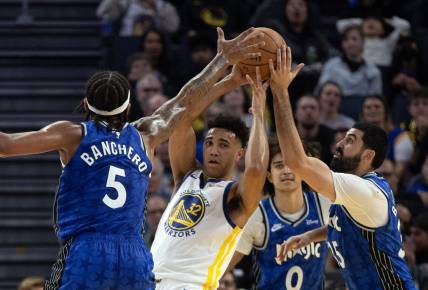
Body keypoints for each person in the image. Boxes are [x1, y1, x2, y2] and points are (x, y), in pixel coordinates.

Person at [0, 27, 265, 289]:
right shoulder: (146, 134)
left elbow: (6, 145)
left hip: (88, 250)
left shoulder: (72, 134)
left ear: (85, 104)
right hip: (135, 257)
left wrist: (226, 73)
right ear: (128, 107)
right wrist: (223, 61)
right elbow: (184, 101)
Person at [270, 45, 416, 289]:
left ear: (368, 155)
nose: (339, 144)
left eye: (350, 141)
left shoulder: (364, 190)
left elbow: (296, 162)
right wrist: (309, 236)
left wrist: (280, 93)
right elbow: (346, 225)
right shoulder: (357, 195)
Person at [151, 67, 270, 290]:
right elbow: (181, 118)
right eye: (209, 143)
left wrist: (258, 112)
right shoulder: (186, 176)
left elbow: (255, 168)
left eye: (223, 145)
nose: (214, 150)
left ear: (239, 153)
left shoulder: (236, 196)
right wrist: (228, 82)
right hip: (148, 282)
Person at [227, 139, 330, 290]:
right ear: (269, 176)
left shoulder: (324, 205)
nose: (287, 170)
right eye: (279, 166)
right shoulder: (258, 215)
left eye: (292, 165)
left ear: (302, 171)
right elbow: (225, 262)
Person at [318, 25, 382, 119]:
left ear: (363, 42)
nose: (350, 43)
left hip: (362, 115)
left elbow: (376, 100)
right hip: (335, 112)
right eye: (346, 40)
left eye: (354, 39)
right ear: (343, 44)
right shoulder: (331, 66)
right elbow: (321, 92)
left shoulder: (373, 71)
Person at [360, 95, 414, 179]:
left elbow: (401, 169)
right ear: (362, 113)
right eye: (368, 107)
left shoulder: (399, 135)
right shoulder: (356, 137)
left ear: (385, 112)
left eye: (377, 107)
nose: (373, 110)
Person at [294, 94, 335, 163]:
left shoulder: (331, 136)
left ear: (320, 113)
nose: (308, 111)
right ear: (296, 113)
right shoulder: (286, 135)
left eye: (313, 108)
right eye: (304, 108)